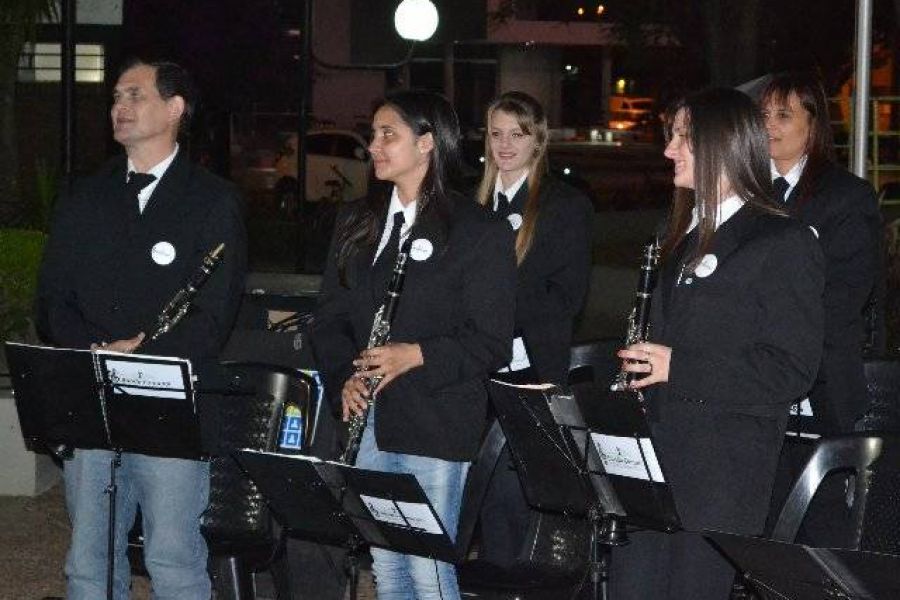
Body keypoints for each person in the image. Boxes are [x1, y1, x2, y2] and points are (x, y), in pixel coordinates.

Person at [37, 58, 246, 599]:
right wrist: (93, 351)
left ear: (176, 109)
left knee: (172, 556)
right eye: (115, 97)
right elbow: (53, 297)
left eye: (135, 95)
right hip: (94, 396)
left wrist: (148, 351)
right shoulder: (85, 194)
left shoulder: (213, 199)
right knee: (88, 559)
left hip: (168, 402)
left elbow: (215, 311)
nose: (119, 108)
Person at [610, 87, 824, 599]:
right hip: (654, 468)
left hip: (718, 479)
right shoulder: (680, 234)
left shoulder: (782, 241)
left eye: (683, 137)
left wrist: (676, 366)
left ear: (723, 144)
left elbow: (789, 369)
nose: (669, 151)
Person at [310, 90, 516, 599]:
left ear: (427, 143)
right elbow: (329, 318)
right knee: (387, 566)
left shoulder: (478, 230)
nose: (373, 147)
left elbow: (492, 343)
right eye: (373, 135)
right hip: (369, 417)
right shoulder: (357, 221)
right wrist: (344, 377)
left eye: (388, 135)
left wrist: (416, 353)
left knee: (427, 571)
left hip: (437, 420)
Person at [758, 71, 882, 548]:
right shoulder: (743, 195)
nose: (769, 124)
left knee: (818, 531)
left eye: (783, 114)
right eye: (764, 114)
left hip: (819, 391)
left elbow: (845, 297)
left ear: (814, 124)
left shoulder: (846, 197)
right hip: (753, 395)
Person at [474, 90, 593, 568]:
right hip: (474, 376)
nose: (505, 145)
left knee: (519, 503)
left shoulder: (564, 206)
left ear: (537, 140)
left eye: (517, 135)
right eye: (497, 133)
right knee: (483, 503)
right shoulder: (471, 204)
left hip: (529, 377)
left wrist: (490, 318)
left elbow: (566, 297)